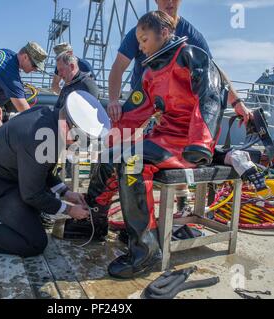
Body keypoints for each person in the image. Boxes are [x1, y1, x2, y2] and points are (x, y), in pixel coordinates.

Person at [59, 11, 228, 279]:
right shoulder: (150, 72)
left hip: (187, 142)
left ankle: (146, 251)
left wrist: (201, 143)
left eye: (144, 38)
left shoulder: (191, 56)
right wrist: (111, 141)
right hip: (162, 138)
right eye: (138, 40)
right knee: (111, 157)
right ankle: (95, 219)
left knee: (131, 162)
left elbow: (210, 97)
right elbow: (136, 110)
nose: (140, 46)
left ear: (164, 33)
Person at [107, 0, 251, 215]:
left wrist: (237, 102)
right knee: (121, 153)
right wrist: (113, 101)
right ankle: (115, 208)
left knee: (170, 146)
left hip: (177, 106)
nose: (169, 2)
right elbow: (119, 66)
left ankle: (182, 204)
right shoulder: (144, 29)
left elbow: (213, 72)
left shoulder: (191, 35)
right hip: (145, 101)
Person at [0, 93, 111, 257]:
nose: (78, 145)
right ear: (70, 128)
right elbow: (32, 194)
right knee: (34, 243)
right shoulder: (40, 139)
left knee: (38, 216)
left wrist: (66, 193)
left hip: (0, 173)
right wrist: (69, 210)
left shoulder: (48, 118)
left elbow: (43, 168)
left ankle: (15, 221)